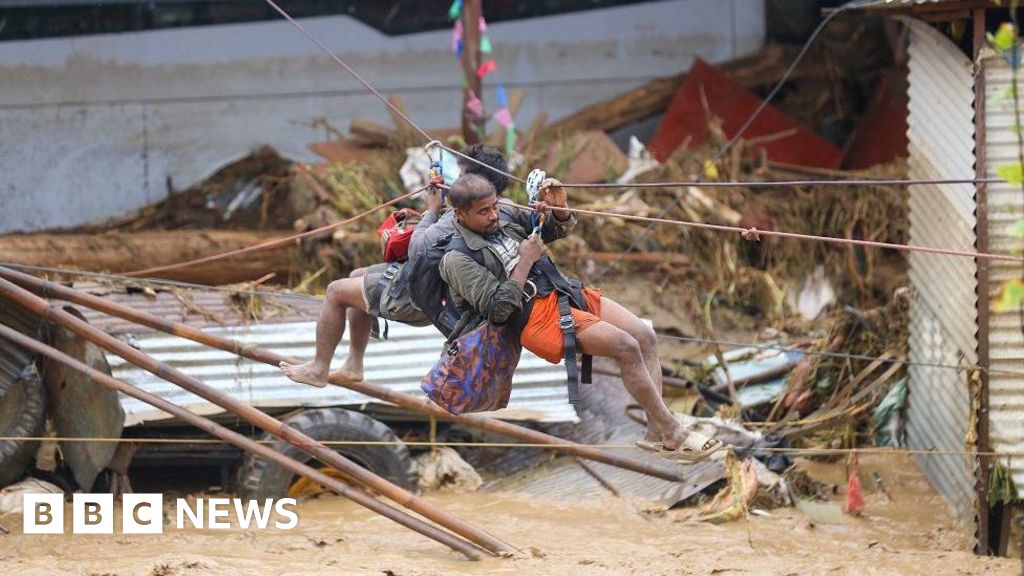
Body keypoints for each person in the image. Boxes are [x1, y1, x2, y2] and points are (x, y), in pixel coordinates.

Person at [437, 173, 722, 462]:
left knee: (644, 336)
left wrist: (559, 209)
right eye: (483, 212)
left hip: (562, 289)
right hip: (533, 317)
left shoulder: (505, 215)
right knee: (626, 346)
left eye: (494, 206)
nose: (493, 215)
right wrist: (525, 260)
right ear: (460, 214)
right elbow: (498, 311)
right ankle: (673, 431)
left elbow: (553, 231)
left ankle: (654, 432)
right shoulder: (456, 258)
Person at [279, 145, 510, 387]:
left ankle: (319, 369)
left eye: (463, 177)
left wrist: (431, 211)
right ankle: (353, 364)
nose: (458, 182)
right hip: (434, 286)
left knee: (336, 292)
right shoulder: (499, 210)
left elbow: (417, 249)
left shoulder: (463, 215)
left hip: (422, 296)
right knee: (357, 276)